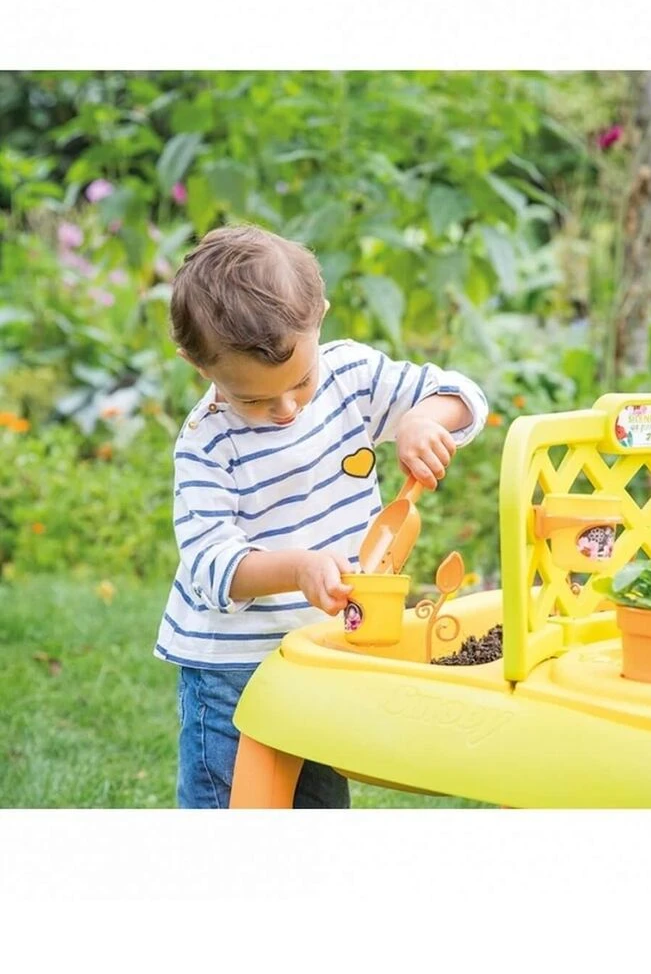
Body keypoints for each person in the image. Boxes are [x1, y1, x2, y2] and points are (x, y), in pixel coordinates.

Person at [155, 224, 488, 809]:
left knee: (318, 801)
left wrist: (422, 420)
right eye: (254, 399)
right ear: (198, 364)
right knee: (231, 805)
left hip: (323, 648)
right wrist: (298, 568)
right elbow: (212, 567)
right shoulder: (207, 442)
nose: (286, 409)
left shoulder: (350, 377)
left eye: (300, 382)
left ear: (320, 318)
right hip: (234, 669)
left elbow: (462, 396)